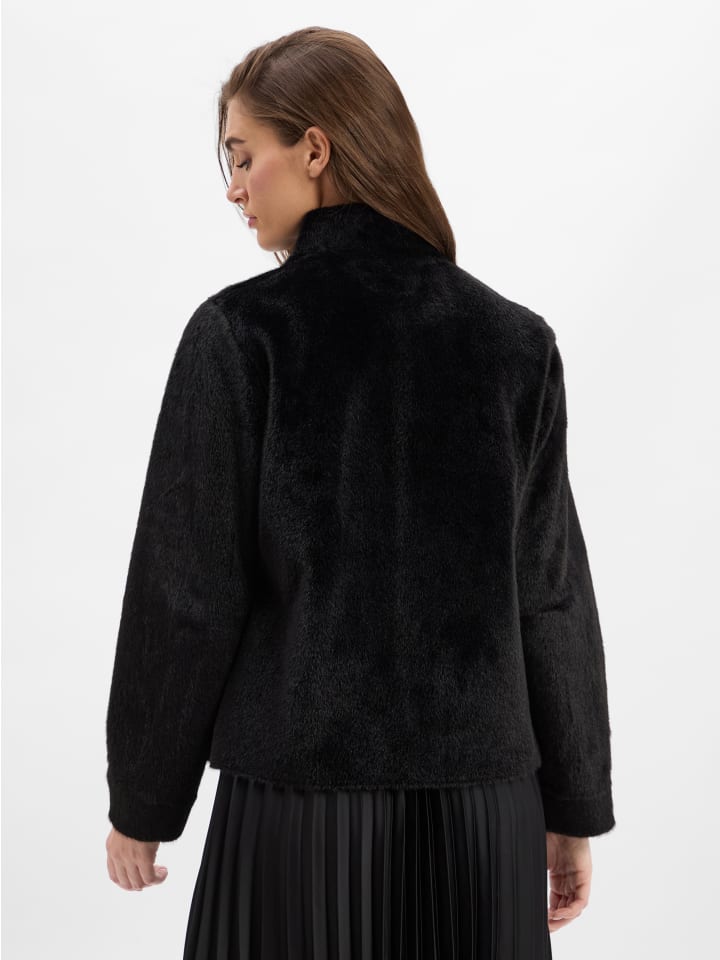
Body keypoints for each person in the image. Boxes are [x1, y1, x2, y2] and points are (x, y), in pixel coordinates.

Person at [104, 26, 615, 960]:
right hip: (487, 816)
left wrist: (143, 800)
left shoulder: (242, 335)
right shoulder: (515, 344)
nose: (233, 188)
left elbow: (188, 594)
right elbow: (549, 596)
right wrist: (572, 806)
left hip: (298, 812)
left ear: (315, 148)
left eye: (242, 155)